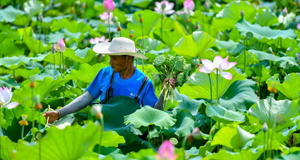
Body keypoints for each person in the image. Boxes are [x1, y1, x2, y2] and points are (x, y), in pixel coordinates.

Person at [44, 37, 175, 123]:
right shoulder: (105, 73)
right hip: (101, 127)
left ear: (129, 58)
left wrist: (164, 93)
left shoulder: (144, 83)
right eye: (110, 57)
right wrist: (59, 113)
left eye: (115, 58)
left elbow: (156, 112)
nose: (110, 62)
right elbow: (86, 98)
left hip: (130, 134)